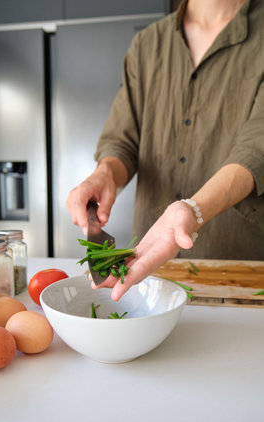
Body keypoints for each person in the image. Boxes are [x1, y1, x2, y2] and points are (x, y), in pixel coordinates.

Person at [66, 0, 264, 301]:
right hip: (147, 279)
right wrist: (105, 174)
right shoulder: (148, 43)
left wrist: (193, 210)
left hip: (237, 274)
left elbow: (256, 149)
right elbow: (122, 140)